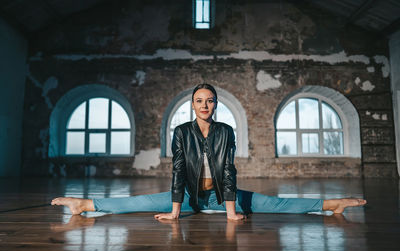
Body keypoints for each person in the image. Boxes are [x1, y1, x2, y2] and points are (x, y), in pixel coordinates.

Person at [51, 83, 367, 221]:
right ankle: (84, 205)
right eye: (200, 100)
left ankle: (331, 204)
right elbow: (177, 170)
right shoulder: (182, 132)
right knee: (137, 203)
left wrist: (230, 211)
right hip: (188, 196)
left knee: (274, 204)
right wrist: (176, 211)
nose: (205, 105)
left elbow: (228, 171)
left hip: (219, 196)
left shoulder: (225, 131)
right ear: (193, 105)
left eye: (210, 100)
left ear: (216, 104)